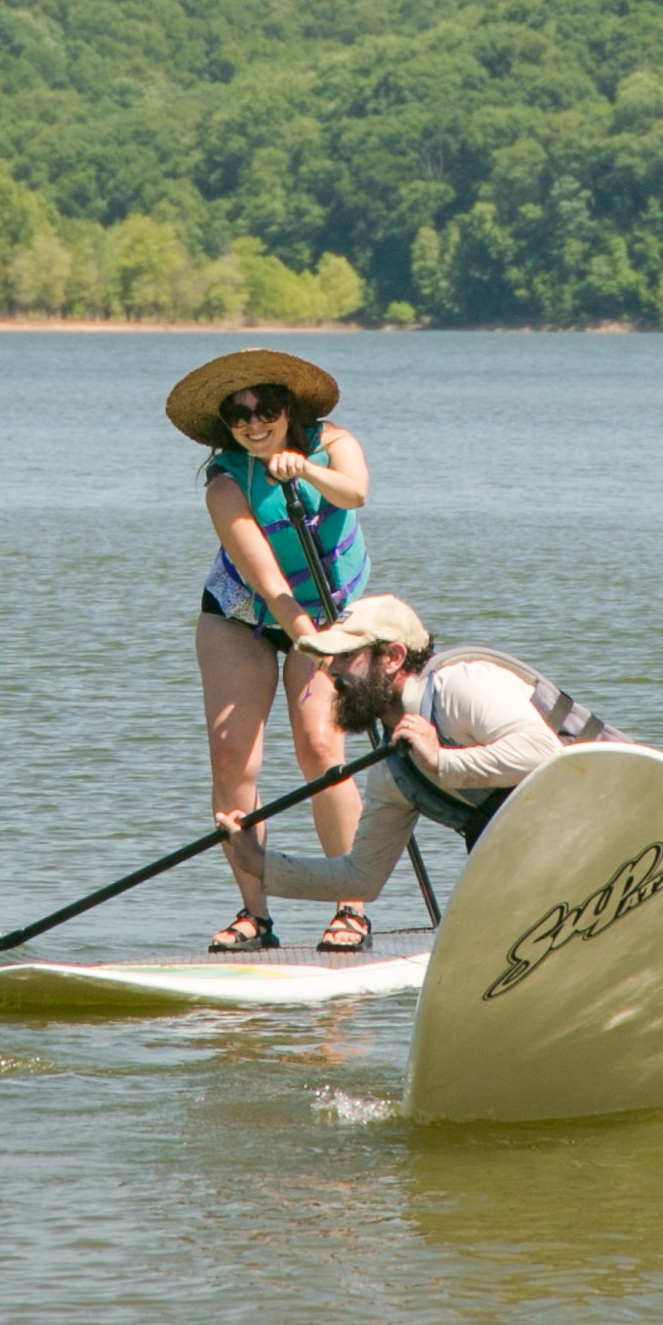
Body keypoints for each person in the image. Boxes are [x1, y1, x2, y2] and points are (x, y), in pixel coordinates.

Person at [212, 591, 614, 933]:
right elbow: (361, 878)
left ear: (393, 656)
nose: (330, 671)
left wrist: (441, 760)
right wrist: (262, 865)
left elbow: (543, 752)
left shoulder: (460, 686)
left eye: (345, 656)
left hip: (615, 813)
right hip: (564, 855)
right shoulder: (395, 768)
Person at [165, 345, 374, 955]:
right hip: (245, 610)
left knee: (319, 748)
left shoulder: (334, 442)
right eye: (239, 414)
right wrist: (301, 632)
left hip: (335, 607)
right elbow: (268, 580)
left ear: (290, 409)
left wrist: (303, 470)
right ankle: (255, 915)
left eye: (267, 408)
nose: (255, 423)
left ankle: (350, 907)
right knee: (233, 755)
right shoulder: (225, 482)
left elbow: (355, 493)